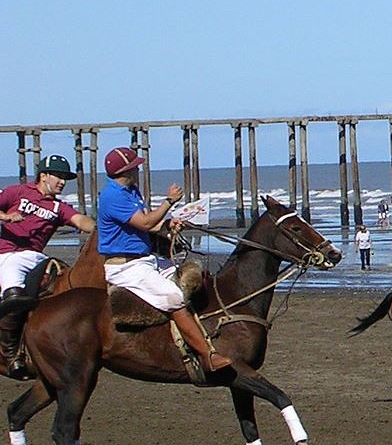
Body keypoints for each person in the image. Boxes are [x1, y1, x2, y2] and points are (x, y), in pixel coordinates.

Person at [97, 147, 231, 371]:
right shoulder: (113, 195)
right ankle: (206, 355)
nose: (139, 170)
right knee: (174, 296)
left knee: (190, 277)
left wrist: (169, 224)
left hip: (144, 260)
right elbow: (146, 223)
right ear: (127, 171)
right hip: (125, 266)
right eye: (135, 167)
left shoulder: (130, 191)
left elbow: (150, 223)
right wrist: (170, 201)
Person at [0, 155, 96, 379]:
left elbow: (80, 221)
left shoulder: (59, 207)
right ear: (43, 176)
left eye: (65, 178)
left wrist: (100, 228)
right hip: (8, 254)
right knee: (14, 296)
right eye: (59, 176)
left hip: (37, 258)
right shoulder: (17, 192)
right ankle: (11, 354)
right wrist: (5, 216)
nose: (63, 182)